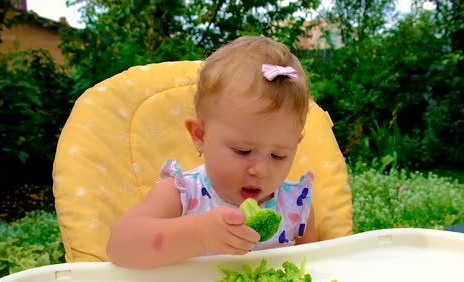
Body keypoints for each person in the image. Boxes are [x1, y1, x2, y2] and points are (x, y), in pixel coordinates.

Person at [106, 35, 318, 270]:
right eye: (242, 150)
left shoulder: (296, 206)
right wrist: (198, 234)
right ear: (200, 136)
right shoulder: (183, 194)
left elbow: (315, 264)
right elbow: (120, 246)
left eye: (279, 155)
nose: (260, 169)